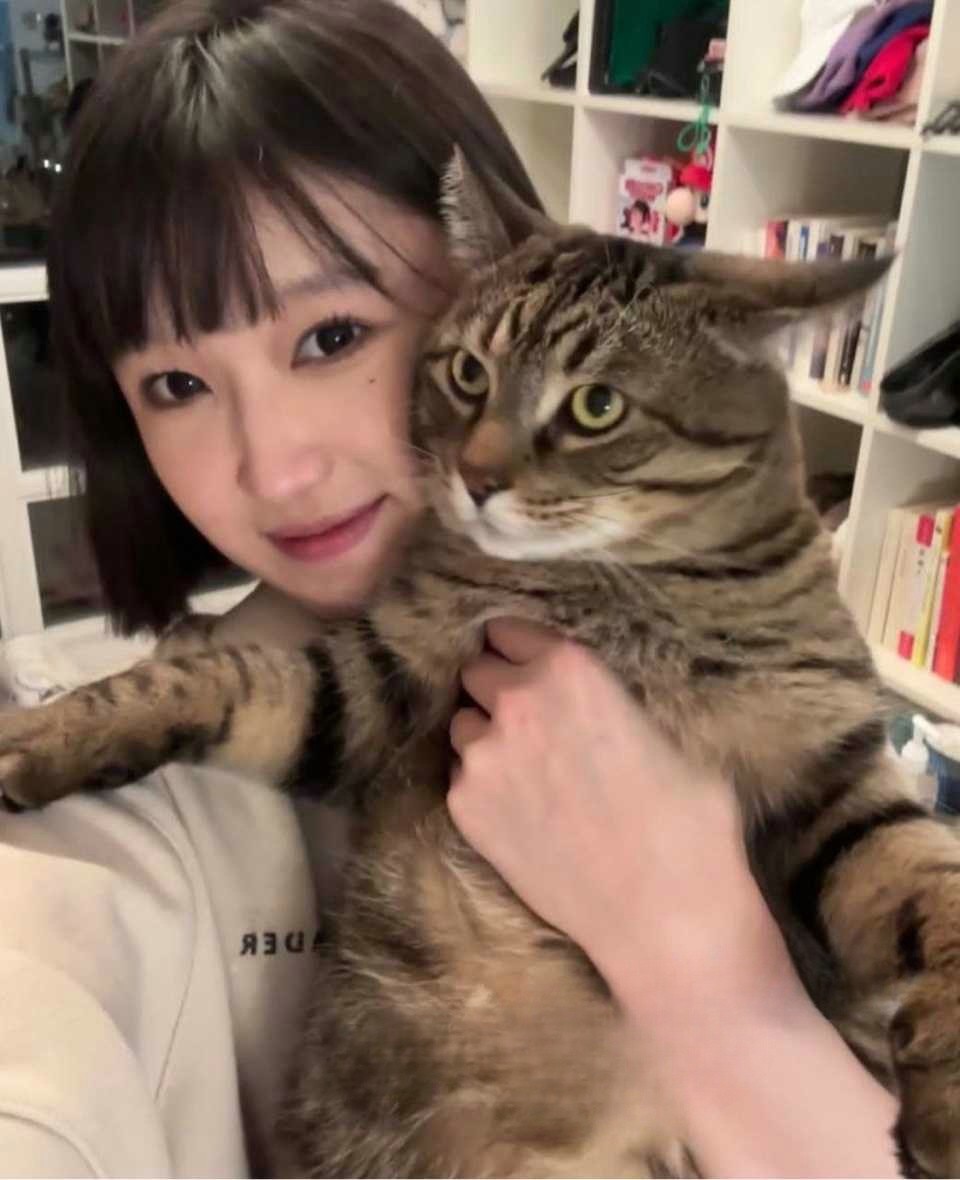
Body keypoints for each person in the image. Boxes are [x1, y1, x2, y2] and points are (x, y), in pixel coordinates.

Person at [0, 0, 899, 1174]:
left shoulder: (747, 613)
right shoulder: (132, 831)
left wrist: (711, 972)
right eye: (175, 384)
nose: (276, 468)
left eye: (332, 337)